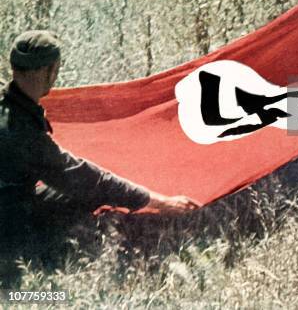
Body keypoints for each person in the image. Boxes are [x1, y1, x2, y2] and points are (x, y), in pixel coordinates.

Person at [0, 30, 200, 284]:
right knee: (84, 191)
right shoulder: (21, 132)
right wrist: (158, 201)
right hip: (7, 226)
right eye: (56, 68)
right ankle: (33, 278)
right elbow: (86, 178)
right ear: (47, 72)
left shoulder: (8, 107)